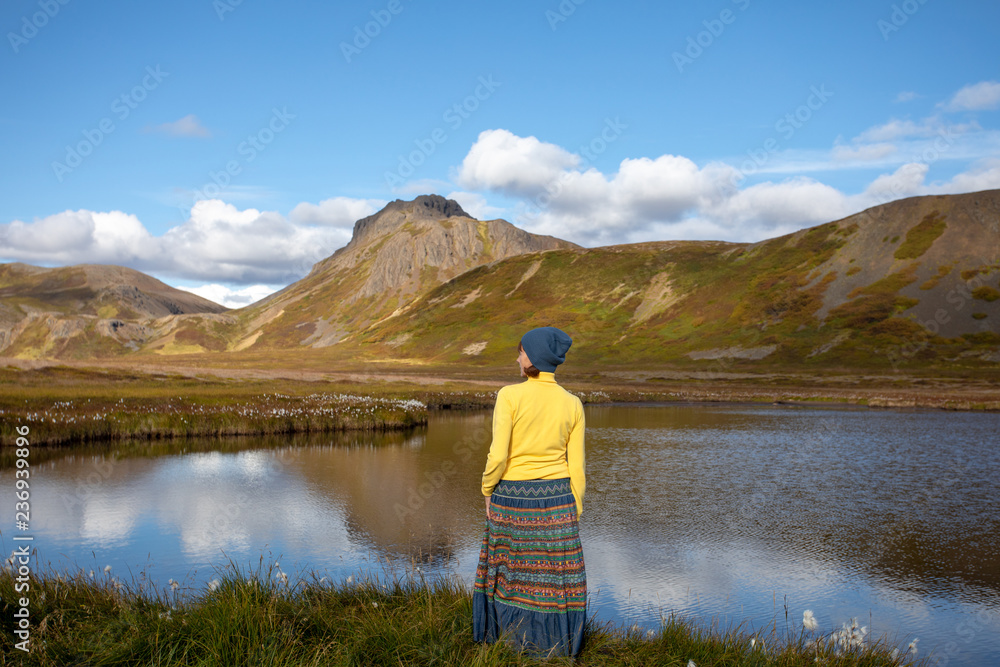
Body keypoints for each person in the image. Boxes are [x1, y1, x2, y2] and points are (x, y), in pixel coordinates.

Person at [472, 326, 587, 658]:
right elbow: (577, 467)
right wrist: (574, 507)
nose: (518, 357)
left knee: (509, 571)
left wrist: (487, 490)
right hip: (559, 500)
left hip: (512, 498)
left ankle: (507, 641)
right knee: (554, 579)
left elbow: (498, 455)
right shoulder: (573, 404)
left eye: (521, 351)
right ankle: (557, 647)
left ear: (533, 358)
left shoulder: (509, 395)